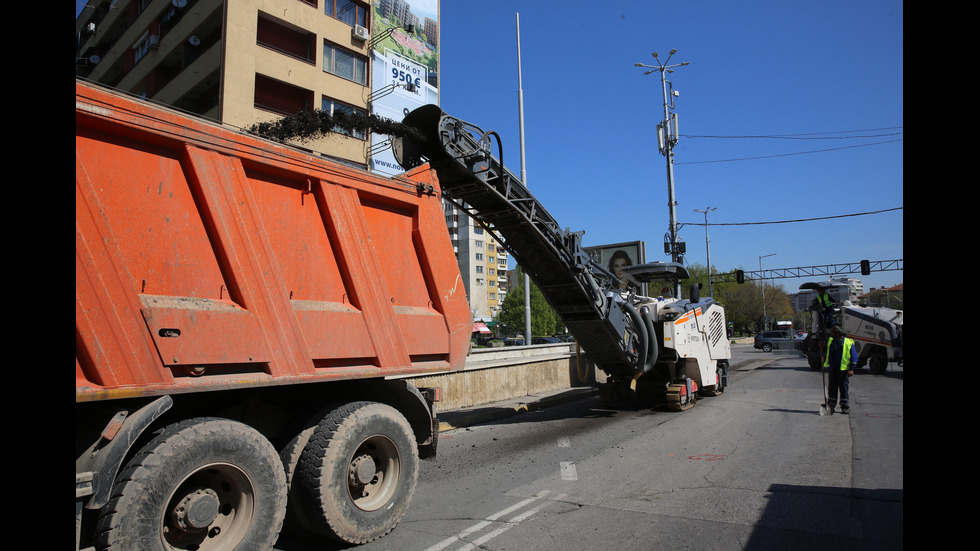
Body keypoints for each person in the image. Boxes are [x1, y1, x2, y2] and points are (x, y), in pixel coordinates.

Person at [823, 326, 857, 414]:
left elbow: (854, 357)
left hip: (843, 370)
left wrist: (851, 369)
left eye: (833, 332)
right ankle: (831, 406)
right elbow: (826, 350)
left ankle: (844, 406)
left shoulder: (848, 343)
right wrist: (821, 345)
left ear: (838, 333)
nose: (831, 334)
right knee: (832, 388)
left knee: (843, 388)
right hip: (833, 368)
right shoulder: (831, 341)